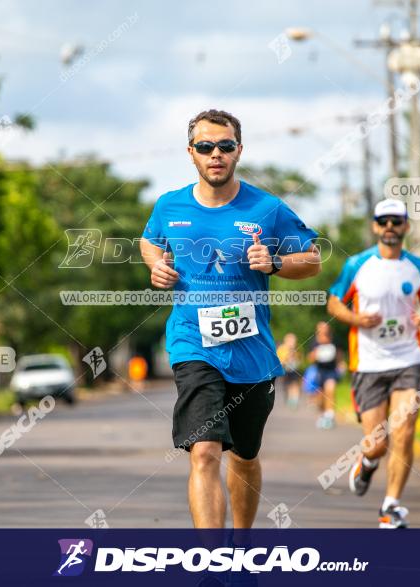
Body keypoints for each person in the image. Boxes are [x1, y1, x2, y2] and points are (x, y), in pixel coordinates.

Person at [139, 109, 321, 532]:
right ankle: (214, 565)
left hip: (251, 352)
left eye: (224, 146)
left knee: (244, 455)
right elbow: (149, 242)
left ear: (239, 150)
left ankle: (242, 547)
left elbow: (311, 259)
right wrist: (156, 266)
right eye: (205, 146)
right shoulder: (170, 206)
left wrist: (275, 263)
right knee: (204, 451)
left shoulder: (267, 208)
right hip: (193, 344)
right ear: (191, 153)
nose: (215, 154)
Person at [326, 199, 420, 529]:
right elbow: (333, 303)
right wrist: (355, 318)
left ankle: (391, 507)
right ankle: (368, 461)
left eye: (396, 221)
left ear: (406, 226)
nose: (389, 226)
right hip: (368, 363)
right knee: (378, 444)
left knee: (404, 433)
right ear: (376, 226)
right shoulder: (357, 265)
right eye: (383, 221)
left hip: (408, 360)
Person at [308, 321, 344, 430]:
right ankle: (323, 415)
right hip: (319, 371)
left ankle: (330, 415)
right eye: (321, 328)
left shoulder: (334, 340)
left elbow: (339, 354)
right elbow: (310, 358)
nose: (323, 330)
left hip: (331, 371)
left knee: (330, 388)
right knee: (320, 398)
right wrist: (315, 353)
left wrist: (341, 364)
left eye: (325, 328)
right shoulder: (314, 343)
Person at [276, 333, 302, 408]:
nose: (291, 343)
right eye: (289, 341)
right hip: (285, 370)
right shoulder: (282, 349)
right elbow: (279, 359)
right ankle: (289, 398)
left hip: (294, 369)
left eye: (293, 341)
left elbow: (299, 359)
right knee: (287, 385)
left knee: (294, 384)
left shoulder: (296, 348)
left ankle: (294, 399)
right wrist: (287, 356)